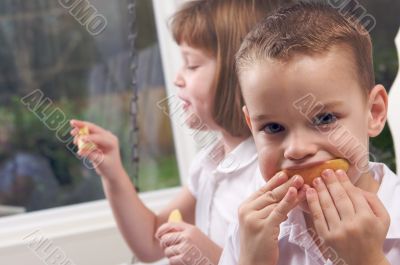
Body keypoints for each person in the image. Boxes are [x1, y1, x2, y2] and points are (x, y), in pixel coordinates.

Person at [70, 0, 288, 264]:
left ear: (238, 77)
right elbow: (151, 241)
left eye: (192, 65)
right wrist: (113, 172)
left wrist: (210, 257)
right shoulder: (208, 164)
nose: (177, 78)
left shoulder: (267, 176)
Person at [218, 2, 400, 265]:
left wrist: (368, 259)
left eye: (324, 119)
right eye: (273, 128)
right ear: (251, 125)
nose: (297, 149)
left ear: (374, 112)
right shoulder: (249, 233)